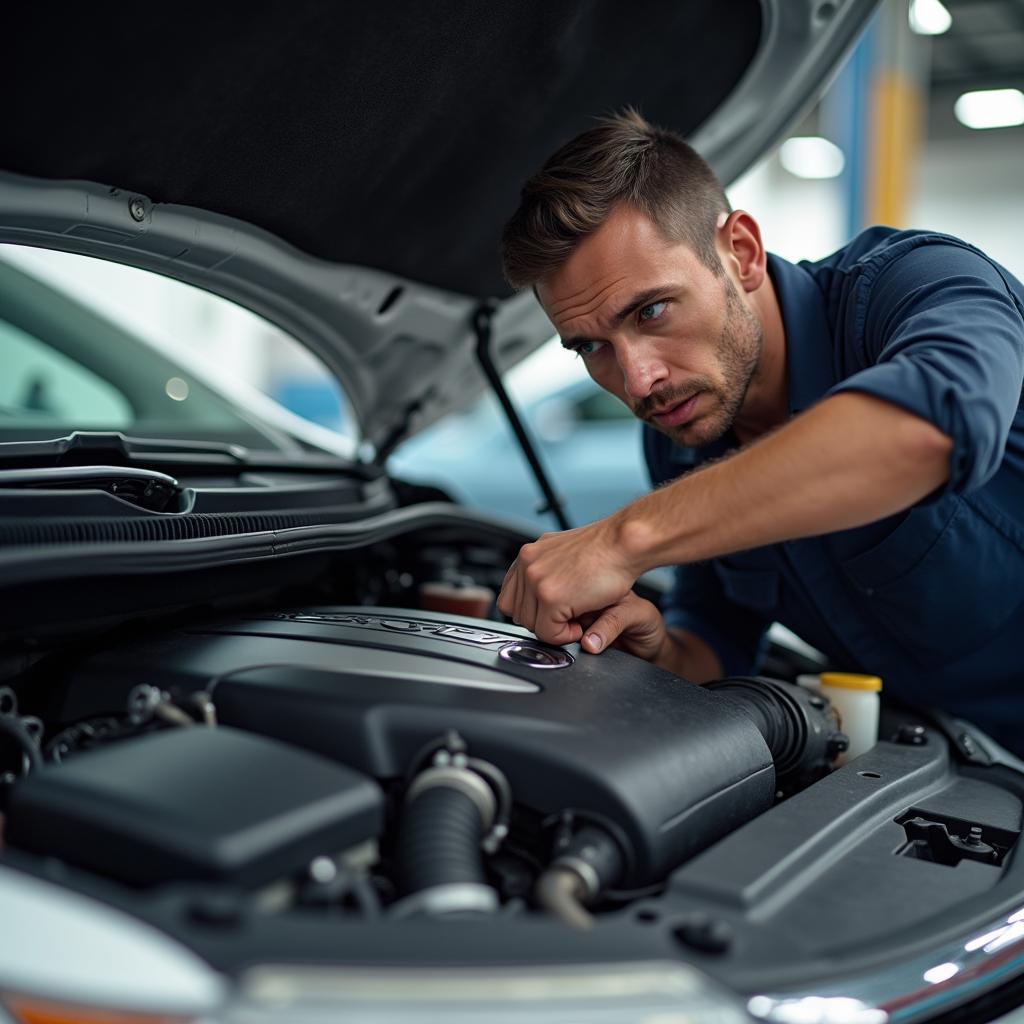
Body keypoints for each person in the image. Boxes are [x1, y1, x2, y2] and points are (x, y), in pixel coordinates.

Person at [496, 109, 1024, 751]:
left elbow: (933, 428)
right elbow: (719, 639)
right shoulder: (680, 432)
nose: (638, 381)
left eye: (652, 310)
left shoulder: (915, 287)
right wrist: (660, 650)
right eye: (590, 348)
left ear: (740, 253)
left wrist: (622, 539)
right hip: (959, 783)